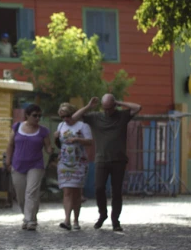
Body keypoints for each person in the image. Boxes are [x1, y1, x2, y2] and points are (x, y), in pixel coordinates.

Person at [71, 94, 141, 231]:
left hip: (119, 160)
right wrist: (88, 107)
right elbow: (74, 118)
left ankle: (115, 220)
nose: (107, 111)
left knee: (116, 191)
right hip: (101, 159)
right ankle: (103, 214)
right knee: (99, 188)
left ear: (114, 106)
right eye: (105, 108)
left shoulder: (122, 116)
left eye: (109, 108)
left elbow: (138, 107)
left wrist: (120, 102)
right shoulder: (96, 117)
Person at [5, 103, 52, 230]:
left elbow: (48, 147)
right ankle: (30, 216)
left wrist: (51, 150)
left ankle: (29, 220)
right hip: (18, 164)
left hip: (36, 165)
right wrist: (8, 161)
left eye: (39, 116)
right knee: (20, 195)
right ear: (27, 115)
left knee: (31, 192)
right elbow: (10, 145)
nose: (37, 118)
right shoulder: (17, 127)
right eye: (35, 115)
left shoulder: (43, 131)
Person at [54, 102, 93, 230]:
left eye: (68, 116)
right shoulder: (61, 126)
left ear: (73, 114)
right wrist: (55, 138)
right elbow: (60, 144)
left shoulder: (82, 126)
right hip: (64, 161)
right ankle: (67, 220)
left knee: (76, 192)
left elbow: (90, 142)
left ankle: (76, 220)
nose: (65, 119)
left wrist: (77, 139)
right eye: (63, 117)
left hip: (79, 161)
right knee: (66, 191)